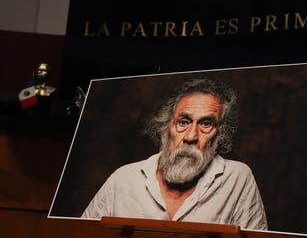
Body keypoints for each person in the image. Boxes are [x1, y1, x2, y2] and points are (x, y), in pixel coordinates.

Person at [81, 78, 268, 230]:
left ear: (219, 134)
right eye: (184, 122)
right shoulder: (123, 179)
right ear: (165, 127)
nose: (191, 136)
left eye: (206, 124)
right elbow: (79, 235)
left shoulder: (237, 177)